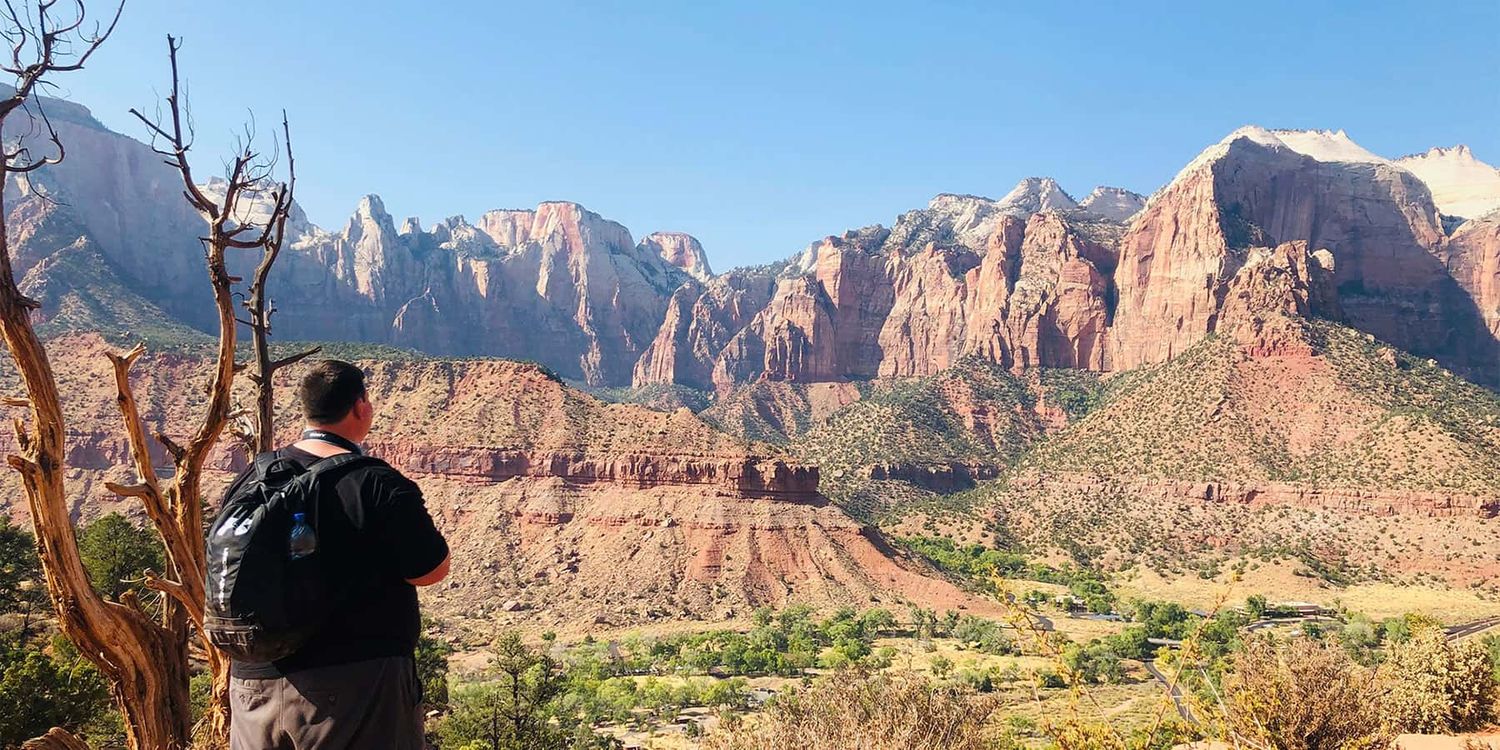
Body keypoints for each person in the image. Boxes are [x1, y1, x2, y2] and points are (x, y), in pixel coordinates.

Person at [228, 360, 450, 750]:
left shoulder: (254, 476)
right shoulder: (376, 482)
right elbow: (431, 570)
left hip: (252, 688)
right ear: (361, 407)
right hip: (354, 686)